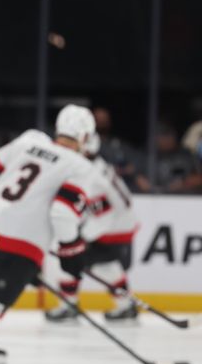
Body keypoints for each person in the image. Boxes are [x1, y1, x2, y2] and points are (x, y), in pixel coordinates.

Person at [0, 104, 97, 362]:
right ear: (86, 137)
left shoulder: (28, 141)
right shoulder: (80, 166)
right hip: (23, 244)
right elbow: (62, 213)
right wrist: (72, 252)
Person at [45, 131, 140, 324]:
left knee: (66, 256)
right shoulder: (99, 166)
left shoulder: (90, 174)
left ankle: (69, 306)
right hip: (122, 223)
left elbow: (102, 213)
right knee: (105, 264)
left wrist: (81, 238)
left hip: (111, 227)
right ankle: (125, 305)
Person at [152, 124, 202, 194]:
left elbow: (199, 177)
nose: (167, 139)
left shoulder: (187, 155)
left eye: (169, 135)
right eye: (163, 135)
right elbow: (145, 185)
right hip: (158, 198)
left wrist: (184, 183)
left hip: (188, 198)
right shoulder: (149, 156)